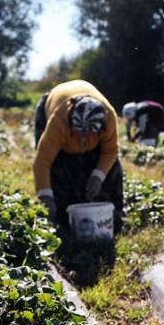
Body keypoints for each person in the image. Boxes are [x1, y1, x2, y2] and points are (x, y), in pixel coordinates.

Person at [33, 79, 124, 231]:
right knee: (58, 169)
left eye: (88, 133)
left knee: (112, 168)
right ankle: (62, 218)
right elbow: (42, 161)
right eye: (79, 132)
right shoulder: (58, 121)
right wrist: (46, 197)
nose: (83, 138)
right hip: (53, 104)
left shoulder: (108, 117)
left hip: (94, 129)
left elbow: (110, 151)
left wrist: (98, 176)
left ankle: (113, 215)